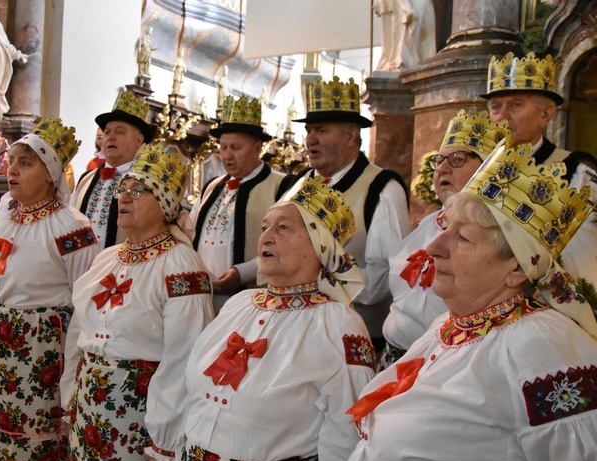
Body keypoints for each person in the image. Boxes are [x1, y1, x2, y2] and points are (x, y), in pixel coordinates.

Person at [348, 141, 597, 461]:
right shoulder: (448, 326)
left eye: (463, 237)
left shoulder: (543, 349)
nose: (434, 247)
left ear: (517, 267)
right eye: (445, 229)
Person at [177, 176, 376, 461]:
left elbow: (347, 438)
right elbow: (193, 392)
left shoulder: (339, 324)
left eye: (283, 228)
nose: (266, 236)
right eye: (265, 227)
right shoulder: (240, 304)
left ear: (320, 245)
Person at [60, 144, 214, 461]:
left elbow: (183, 357)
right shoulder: (106, 259)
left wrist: (163, 441)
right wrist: (70, 401)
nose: (124, 198)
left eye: (139, 190)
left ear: (164, 204)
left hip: (140, 416)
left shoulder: (183, 266)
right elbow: (76, 337)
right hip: (91, 407)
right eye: (122, 190)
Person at [0, 118, 99, 461]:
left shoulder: (72, 227)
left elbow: (85, 304)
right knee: (1, 442)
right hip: (0, 347)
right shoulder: (5, 214)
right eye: (12, 160)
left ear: (50, 174)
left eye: (26, 163)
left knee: (39, 450)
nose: (12, 170)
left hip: (41, 351)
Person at [279, 76, 411, 350]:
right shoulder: (295, 185)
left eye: (322, 130)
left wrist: (316, 283)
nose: (310, 140)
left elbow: (385, 275)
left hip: (353, 338)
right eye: (309, 131)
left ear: (351, 135)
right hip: (292, 330)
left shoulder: (381, 187)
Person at [380, 109, 510, 367]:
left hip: (448, 361)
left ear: (488, 169)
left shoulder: (498, 233)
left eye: (458, 159)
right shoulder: (427, 224)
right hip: (392, 356)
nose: (442, 168)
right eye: (439, 160)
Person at [483, 51, 597, 288]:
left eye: (516, 105)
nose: (501, 117)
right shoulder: (480, 169)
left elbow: (582, 263)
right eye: (496, 107)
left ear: (546, 114)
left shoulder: (575, 172)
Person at [190, 95, 284, 311]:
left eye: (236, 147)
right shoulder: (212, 186)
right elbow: (188, 233)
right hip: (203, 300)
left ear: (257, 147)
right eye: (223, 147)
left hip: (253, 302)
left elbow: (287, 247)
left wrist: (243, 273)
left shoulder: (280, 186)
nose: (227, 156)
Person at [71, 90, 155, 249]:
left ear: (139, 140)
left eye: (119, 131)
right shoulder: (85, 180)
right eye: (107, 131)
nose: (110, 137)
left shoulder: (150, 184)